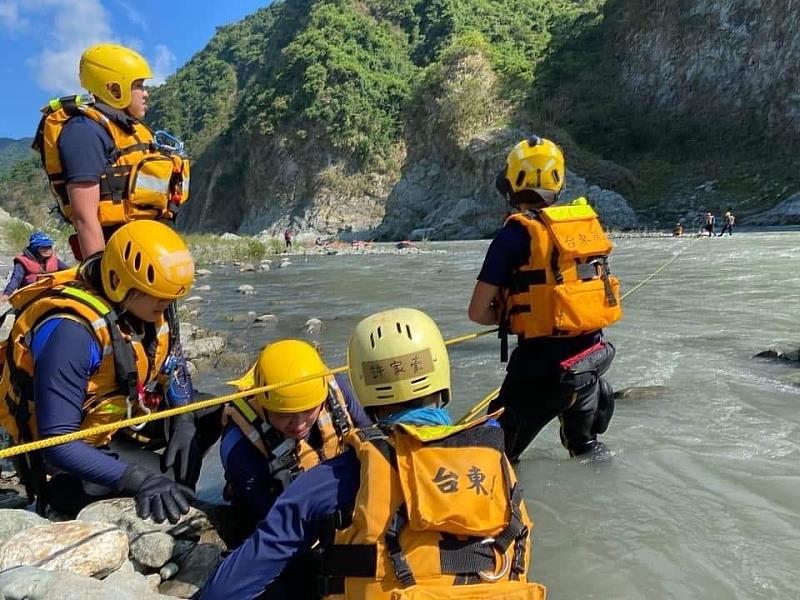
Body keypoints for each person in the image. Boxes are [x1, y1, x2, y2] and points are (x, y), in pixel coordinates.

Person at [200, 308, 546, 600]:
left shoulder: (332, 479)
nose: (300, 423)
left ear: (360, 390)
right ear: (442, 373)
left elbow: (226, 590)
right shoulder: (495, 456)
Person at [0, 221, 219, 522]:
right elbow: (57, 443)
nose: (167, 306)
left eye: (171, 299)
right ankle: (166, 496)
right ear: (119, 282)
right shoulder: (71, 332)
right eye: (159, 299)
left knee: (214, 412)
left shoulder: (149, 301)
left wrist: (183, 419)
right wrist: (138, 480)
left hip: (117, 420)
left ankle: (177, 492)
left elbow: (174, 363)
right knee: (155, 481)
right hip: (69, 453)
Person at [468, 136, 620, 462]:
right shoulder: (584, 227)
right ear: (559, 183)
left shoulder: (514, 235)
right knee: (587, 450)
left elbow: (477, 312)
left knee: (492, 459)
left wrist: (511, 314)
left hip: (540, 372)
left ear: (510, 183)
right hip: (590, 362)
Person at [33, 43, 189, 263]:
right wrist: (98, 270)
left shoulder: (133, 130)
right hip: (115, 254)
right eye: (139, 85)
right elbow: (84, 217)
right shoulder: (83, 131)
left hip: (147, 248)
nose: (146, 93)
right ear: (114, 89)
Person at [220, 339, 371, 529]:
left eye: (309, 411)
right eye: (284, 415)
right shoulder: (240, 447)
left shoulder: (333, 388)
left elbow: (371, 443)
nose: (299, 425)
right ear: (263, 405)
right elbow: (268, 519)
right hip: (277, 506)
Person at [1, 232, 68, 302]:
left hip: (51, 295)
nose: (47, 250)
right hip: (30, 298)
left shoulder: (55, 260)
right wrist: (7, 293)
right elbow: (16, 278)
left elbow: (68, 271)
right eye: (43, 247)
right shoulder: (23, 261)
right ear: (34, 248)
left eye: (49, 247)